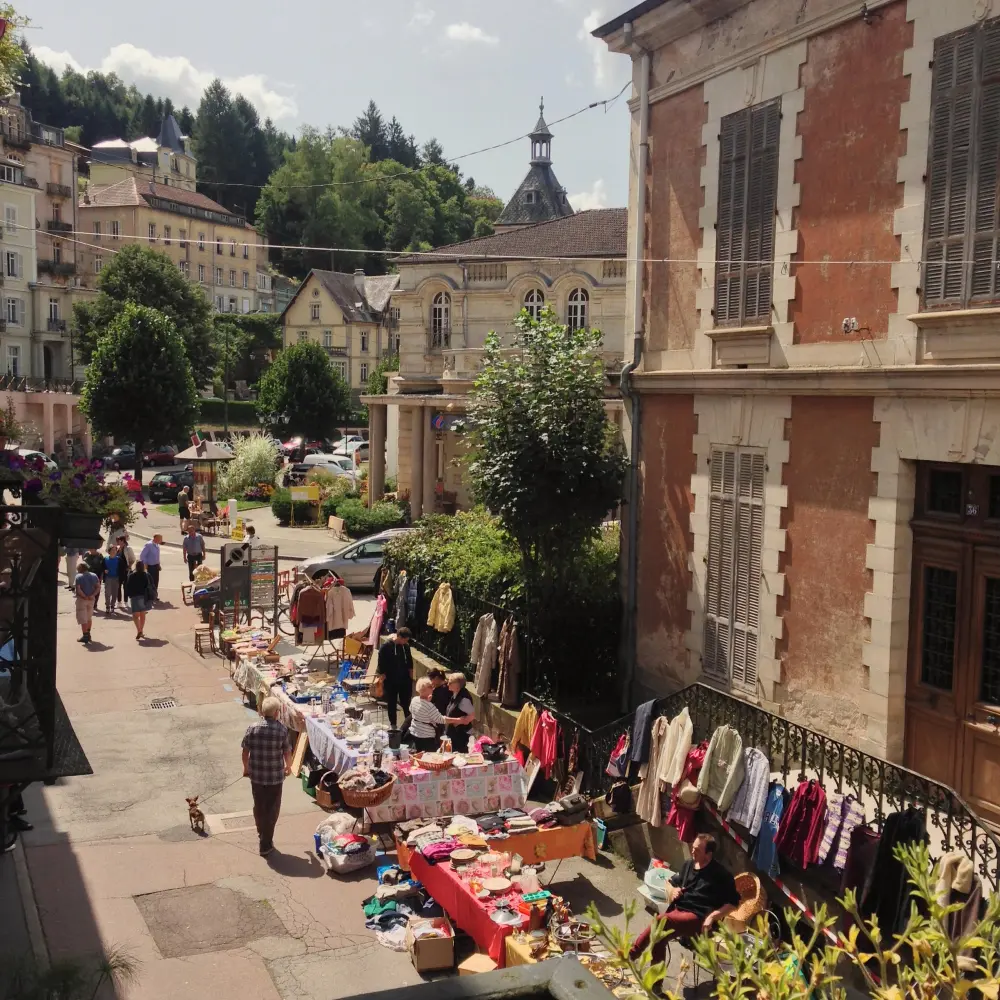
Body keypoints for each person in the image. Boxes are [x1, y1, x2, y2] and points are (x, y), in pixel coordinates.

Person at [628, 834, 739, 968]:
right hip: (679, 910)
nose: (693, 851)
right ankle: (656, 982)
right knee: (659, 936)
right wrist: (672, 891)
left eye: (697, 850)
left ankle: (631, 955)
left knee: (661, 921)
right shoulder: (688, 865)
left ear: (708, 854)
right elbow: (669, 882)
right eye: (693, 848)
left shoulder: (721, 875)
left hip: (700, 917)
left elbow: (733, 903)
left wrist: (712, 917)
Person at [241, 695, 292, 857]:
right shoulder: (282, 730)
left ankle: (261, 830)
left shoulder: (252, 728)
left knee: (259, 805)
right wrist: (288, 767)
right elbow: (287, 752)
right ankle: (265, 843)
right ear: (276, 713)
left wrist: (246, 768)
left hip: (256, 775)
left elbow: (245, 751)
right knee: (272, 808)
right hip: (274, 778)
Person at [376, 627, 413, 729]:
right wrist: (382, 676)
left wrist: (411, 675)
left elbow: (409, 661)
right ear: (399, 637)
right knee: (391, 702)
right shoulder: (386, 647)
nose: (405, 642)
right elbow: (381, 662)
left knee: (406, 702)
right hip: (391, 680)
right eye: (404, 640)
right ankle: (393, 724)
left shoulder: (405, 647)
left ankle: (408, 724)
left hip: (404, 680)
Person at [408, 677, 449, 752]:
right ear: (424, 690)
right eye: (430, 686)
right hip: (426, 737)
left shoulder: (414, 700)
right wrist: (458, 720)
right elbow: (441, 720)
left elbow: (411, 710)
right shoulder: (429, 706)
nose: (432, 688)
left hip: (414, 732)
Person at [444, 672, 477, 753]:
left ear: (457, 685)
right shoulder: (455, 694)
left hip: (460, 737)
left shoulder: (464, 699)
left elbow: (472, 716)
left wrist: (456, 721)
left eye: (450, 682)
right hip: (453, 734)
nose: (448, 683)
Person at [73, 560, 100, 644]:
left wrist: (84, 596)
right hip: (91, 600)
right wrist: (92, 595)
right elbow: (98, 587)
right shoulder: (94, 575)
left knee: (82, 618)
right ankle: (88, 633)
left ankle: (85, 636)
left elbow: (78, 588)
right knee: (89, 617)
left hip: (82, 600)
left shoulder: (78, 577)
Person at [125, 560, 152, 639]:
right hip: (143, 597)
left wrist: (129, 595)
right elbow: (147, 585)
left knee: (135, 615)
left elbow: (128, 586)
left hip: (134, 597)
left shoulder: (131, 575)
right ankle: (141, 630)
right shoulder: (145, 575)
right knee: (142, 614)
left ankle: (139, 630)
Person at [139, 534, 162, 600]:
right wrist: (145, 563)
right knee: (150, 581)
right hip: (150, 566)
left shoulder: (157, 545)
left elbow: (157, 556)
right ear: (156, 538)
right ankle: (149, 596)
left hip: (156, 566)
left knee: (156, 581)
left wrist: (159, 564)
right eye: (160, 539)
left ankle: (154, 595)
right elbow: (142, 556)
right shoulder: (148, 545)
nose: (161, 540)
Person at [103, 546, 121, 613]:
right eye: (112, 550)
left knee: (114, 593)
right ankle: (107, 606)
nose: (113, 551)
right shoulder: (105, 559)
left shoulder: (119, 559)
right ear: (109, 551)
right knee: (107, 593)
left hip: (116, 578)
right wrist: (104, 570)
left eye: (115, 550)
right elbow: (102, 567)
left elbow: (122, 569)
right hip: (108, 578)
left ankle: (112, 606)